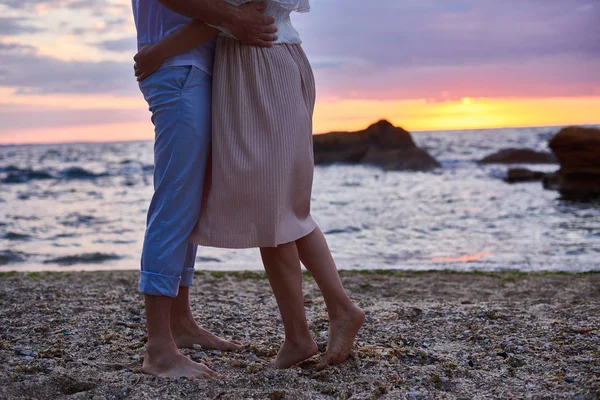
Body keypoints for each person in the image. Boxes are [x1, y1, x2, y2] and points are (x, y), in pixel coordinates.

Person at [134, 0, 365, 373]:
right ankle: (170, 338)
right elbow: (239, 12)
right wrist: (162, 51)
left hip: (256, 67)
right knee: (273, 206)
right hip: (251, 66)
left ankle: (322, 321)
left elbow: (246, 10)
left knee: (274, 207)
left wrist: (158, 51)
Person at [131, 0, 278, 379]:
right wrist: (232, 18)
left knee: (189, 202)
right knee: (175, 203)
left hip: (192, 64)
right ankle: (159, 348)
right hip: (179, 69)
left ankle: (181, 324)